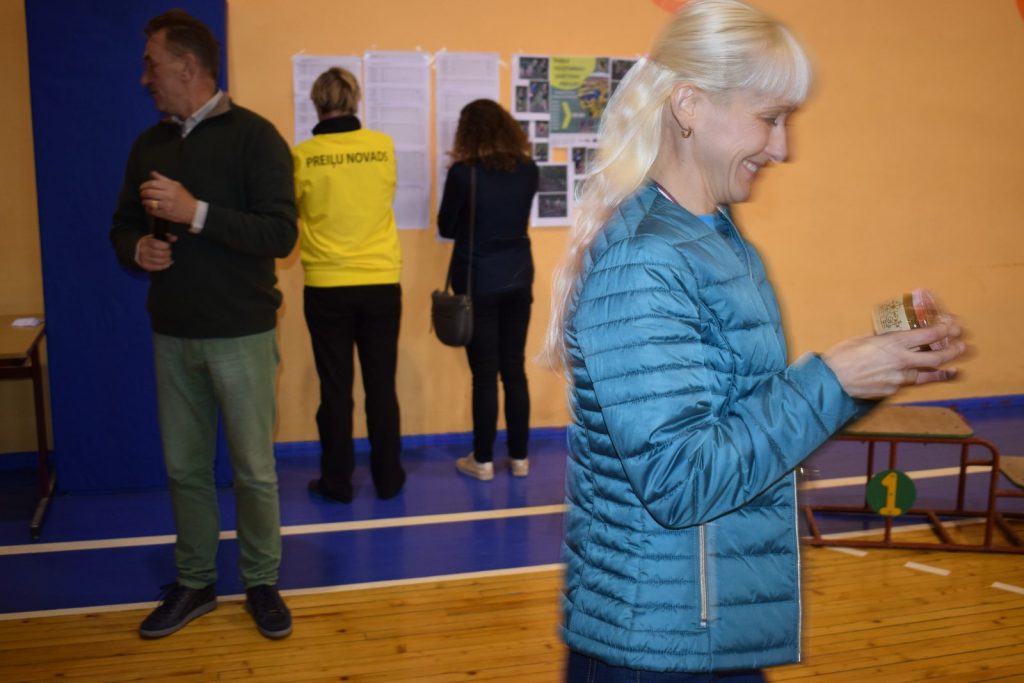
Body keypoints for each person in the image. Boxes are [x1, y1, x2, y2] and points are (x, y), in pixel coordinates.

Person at [541, 0, 967, 680]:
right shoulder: (646, 261)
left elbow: (748, 415)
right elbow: (680, 479)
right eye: (769, 118)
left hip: (711, 622)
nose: (783, 148)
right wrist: (831, 377)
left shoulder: (714, 236)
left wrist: (872, 368)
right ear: (689, 105)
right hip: (656, 642)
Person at [110, 10, 296, 640]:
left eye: (152, 65)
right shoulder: (149, 145)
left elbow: (281, 234)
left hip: (242, 334)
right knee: (185, 469)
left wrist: (197, 213)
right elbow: (122, 225)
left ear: (188, 67)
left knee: (254, 470)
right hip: (172, 334)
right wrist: (137, 248)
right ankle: (195, 583)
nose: (145, 79)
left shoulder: (256, 138)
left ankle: (261, 582)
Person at [292, 67, 405, 503]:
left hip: (327, 285)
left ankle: (337, 483)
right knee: (382, 388)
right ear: (355, 99)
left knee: (335, 391)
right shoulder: (382, 147)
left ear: (317, 103)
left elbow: (299, 210)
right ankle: (388, 479)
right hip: (380, 281)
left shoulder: (303, 156)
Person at [438, 100, 539, 481]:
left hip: (478, 281)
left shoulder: (464, 174)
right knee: (514, 369)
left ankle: (482, 461)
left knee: (484, 374)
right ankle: (519, 458)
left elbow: (447, 227)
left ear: (468, 133)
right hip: (518, 277)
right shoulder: (528, 169)